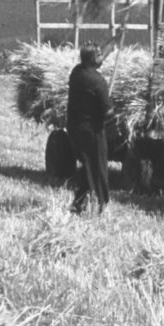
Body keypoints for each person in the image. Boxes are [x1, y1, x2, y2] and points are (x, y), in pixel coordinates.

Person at [67, 42, 113, 213]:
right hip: (92, 131)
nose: (102, 58)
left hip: (74, 128)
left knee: (87, 165)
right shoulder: (97, 81)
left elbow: (98, 59)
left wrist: (113, 41)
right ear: (93, 59)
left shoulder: (76, 72)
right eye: (99, 55)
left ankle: (79, 204)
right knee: (98, 167)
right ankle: (101, 204)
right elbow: (108, 111)